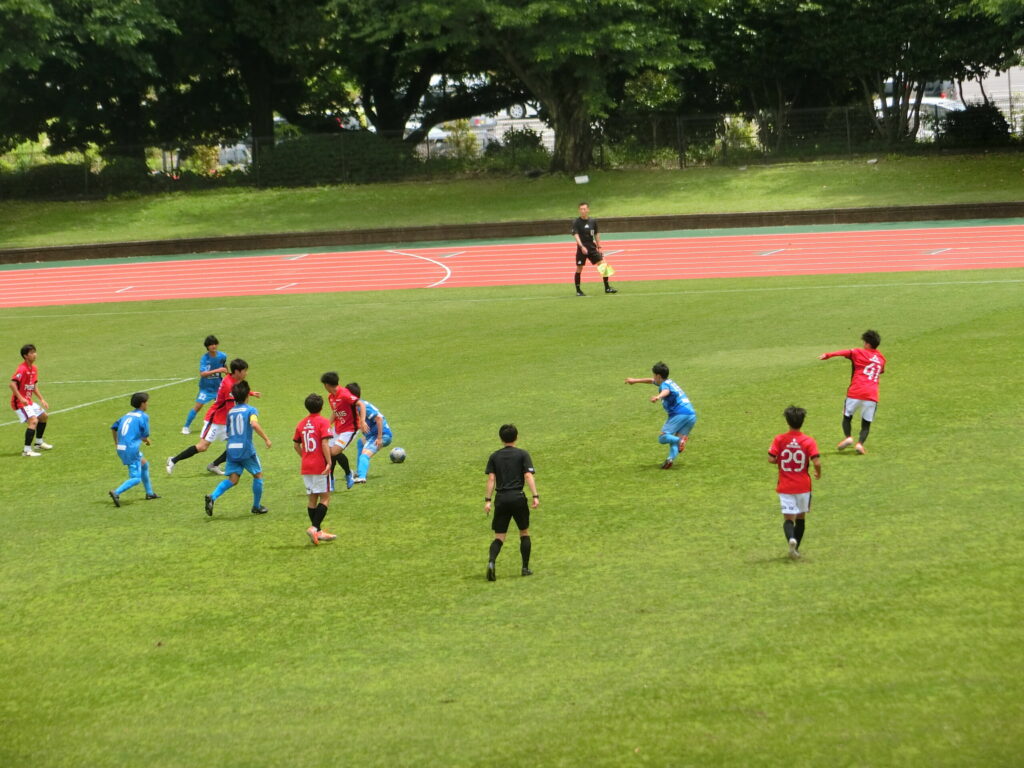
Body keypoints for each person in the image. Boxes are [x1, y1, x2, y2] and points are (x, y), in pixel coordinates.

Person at [167, 358, 258, 475]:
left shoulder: (234, 379)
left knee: (238, 444)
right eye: (245, 371)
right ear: (237, 371)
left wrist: (251, 393)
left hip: (224, 420)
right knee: (202, 447)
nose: (246, 373)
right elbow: (230, 408)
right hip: (215, 420)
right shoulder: (228, 385)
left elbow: (238, 391)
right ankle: (173, 460)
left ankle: (214, 465)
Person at [204, 381, 271, 517]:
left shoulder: (230, 412)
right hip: (246, 450)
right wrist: (266, 439)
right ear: (247, 395)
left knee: (233, 479)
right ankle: (256, 506)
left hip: (231, 449)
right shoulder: (251, 410)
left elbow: (229, 432)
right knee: (258, 475)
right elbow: (254, 424)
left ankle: (213, 496)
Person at [483, 424, 539, 581]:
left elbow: (491, 479)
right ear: (517, 437)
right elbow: (528, 476)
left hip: (501, 499)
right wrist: (535, 496)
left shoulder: (494, 456)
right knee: (524, 532)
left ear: (501, 438)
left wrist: (488, 500)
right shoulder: (522, 454)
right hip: (518, 497)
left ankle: (491, 562)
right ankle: (525, 568)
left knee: (499, 537)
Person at [819, 330, 886, 455]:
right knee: (866, 424)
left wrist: (828, 355)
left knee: (847, 417)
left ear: (867, 343)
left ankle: (848, 437)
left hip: (855, 391)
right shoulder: (882, 359)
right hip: (871, 395)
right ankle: (860, 444)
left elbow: (844, 352)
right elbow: (881, 371)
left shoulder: (858, 352)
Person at [768, 406, 821, 559]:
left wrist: (781, 460)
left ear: (787, 421)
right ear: (802, 421)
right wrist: (818, 472)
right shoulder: (809, 441)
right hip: (803, 486)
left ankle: (791, 539)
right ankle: (795, 548)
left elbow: (771, 458)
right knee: (801, 518)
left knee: (788, 519)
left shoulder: (779, 439)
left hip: (785, 486)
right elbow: (817, 462)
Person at [625, 362, 697, 469]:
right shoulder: (669, 381)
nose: (653, 377)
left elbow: (666, 391)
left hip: (680, 413)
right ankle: (670, 459)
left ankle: (680, 441)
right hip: (691, 415)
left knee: (663, 438)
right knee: (673, 439)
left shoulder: (664, 385)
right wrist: (635, 380)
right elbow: (651, 381)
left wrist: (658, 397)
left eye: (654, 375)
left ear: (658, 376)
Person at [294, 393, 337, 545]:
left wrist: (305, 456)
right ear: (321, 406)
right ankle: (314, 528)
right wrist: (329, 462)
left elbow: (296, 445)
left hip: (306, 466)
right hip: (319, 466)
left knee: (312, 499)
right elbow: (325, 443)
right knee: (325, 497)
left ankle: (318, 532)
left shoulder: (301, 424)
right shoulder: (323, 422)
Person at [108, 392, 159, 506]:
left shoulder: (127, 415)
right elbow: (144, 435)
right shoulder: (143, 416)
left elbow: (113, 427)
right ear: (142, 404)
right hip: (131, 449)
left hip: (122, 448)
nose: (148, 404)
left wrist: (116, 443)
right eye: (147, 402)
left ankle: (150, 493)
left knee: (144, 465)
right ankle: (116, 492)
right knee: (136, 478)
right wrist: (147, 441)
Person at [320, 371, 361, 489]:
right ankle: (331, 480)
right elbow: (335, 412)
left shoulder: (344, 394)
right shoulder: (331, 397)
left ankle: (348, 474)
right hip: (338, 428)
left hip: (350, 429)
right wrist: (327, 425)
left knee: (333, 452)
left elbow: (360, 404)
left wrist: (362, 422)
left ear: (327, 385)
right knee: (328, 451)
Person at [10, 343, 52, 457]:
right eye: (32, 353)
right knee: (33, 421)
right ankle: (26, 450)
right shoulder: (22, 369)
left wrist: (42, 399)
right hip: (19, 403)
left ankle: (39, 443)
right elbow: (12, 384)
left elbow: (33, 386)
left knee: (43, 416)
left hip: (28, 401)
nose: (35, 354)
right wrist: (21, 398)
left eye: (35, 352)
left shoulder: (34, 368)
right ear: (25, 356)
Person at [182, 335, 227, 435]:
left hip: (218, 387)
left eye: (215, 344)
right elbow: (203, 374)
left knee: (223, 407)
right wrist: (218, 370)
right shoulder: (205, 358)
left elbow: (224, 366)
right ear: (207, 346)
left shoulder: (223, 356)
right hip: (206, 388)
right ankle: (186, 427)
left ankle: (223, 427)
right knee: (198, 407)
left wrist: (227, 373)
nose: (213, 346)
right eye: (211, 344)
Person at [347, 383, 392, 483]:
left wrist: (379, 438)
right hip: (374, 435)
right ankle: (360, 471)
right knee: (360, 443)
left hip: (382, 435)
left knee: (364, 455)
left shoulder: (362, 407)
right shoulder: (357, 406)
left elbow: (379, 419)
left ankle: (362, 477)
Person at [571, 202, 617, 297]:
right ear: (579, 210)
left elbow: (596, 234)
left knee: (603, 264)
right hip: (582, 249)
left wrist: (599, 247)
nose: (583, 211)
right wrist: (581, 247)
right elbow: (576, 235)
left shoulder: (593, 221)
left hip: (592, 248)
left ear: (588, 210)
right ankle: (578, 290)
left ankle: (607, 288)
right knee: (579, 268)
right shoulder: (576, 222)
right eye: (581, 209)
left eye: (584, 209)